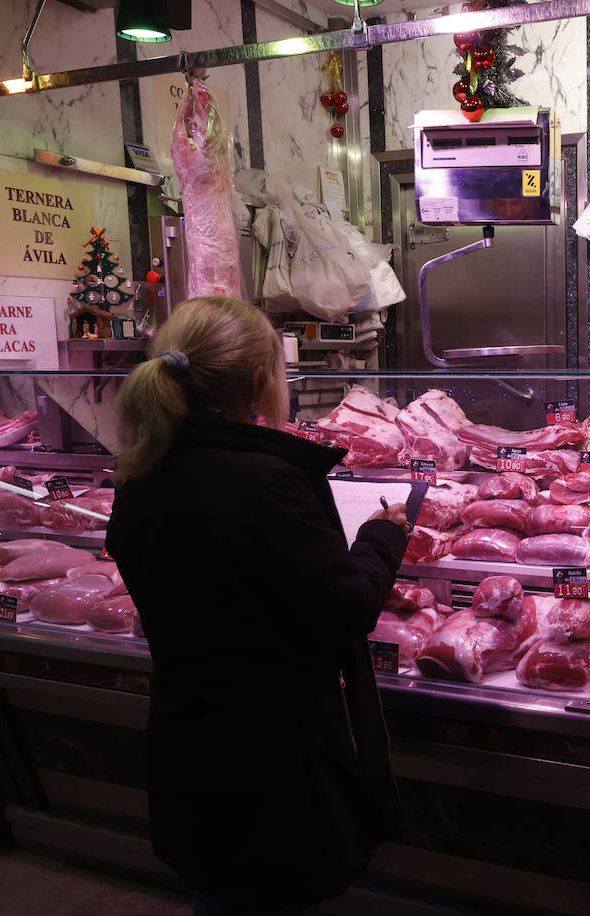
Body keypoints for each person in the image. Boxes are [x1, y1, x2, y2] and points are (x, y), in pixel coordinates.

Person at [106, 297, 410, 915]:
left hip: (190, 739)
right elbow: (344, 608)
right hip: (273, 759)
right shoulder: (266, 482)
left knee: (219, 888)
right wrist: (383, 537)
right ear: (254, 382)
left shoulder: (143, 472)